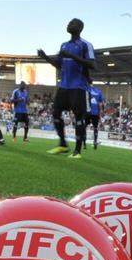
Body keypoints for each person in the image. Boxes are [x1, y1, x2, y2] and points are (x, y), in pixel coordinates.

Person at [37, 18, 95, 158]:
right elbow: (59, 64)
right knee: (56, 113)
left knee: (79, 117)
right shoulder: (64, 45)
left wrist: (72, 56)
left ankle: (77, 151)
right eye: (69, 23)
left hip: (79, 86)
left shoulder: (85, 45)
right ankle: (63, 144)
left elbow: (92, 65)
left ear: (80, 28)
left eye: (72, 23)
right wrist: (45, 57)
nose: (68, 24)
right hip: (64, 86)